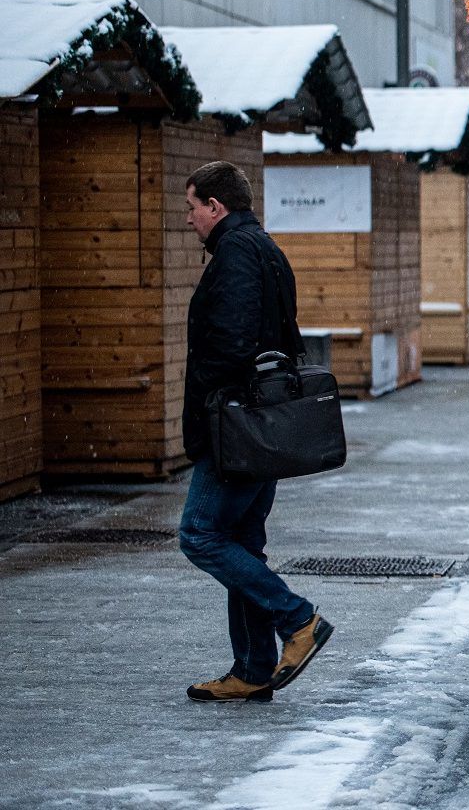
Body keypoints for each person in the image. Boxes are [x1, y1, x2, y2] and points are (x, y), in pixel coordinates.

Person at [178, 161, 333, 703]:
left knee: (198, 534)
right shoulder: (262, 248)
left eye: (193, 206)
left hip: (235, 429)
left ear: (216, 207)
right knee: (242, 541)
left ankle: (299, 620)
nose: (191, 218)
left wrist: (205, 398)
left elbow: (234, 345)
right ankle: (252, 669)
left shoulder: (237, 254)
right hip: (258, 428)